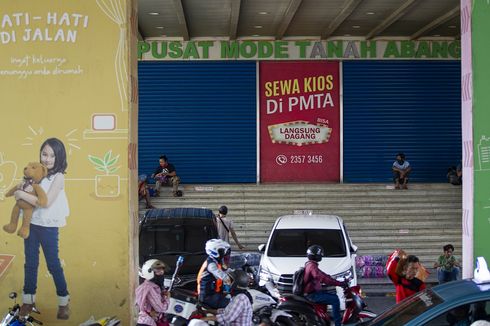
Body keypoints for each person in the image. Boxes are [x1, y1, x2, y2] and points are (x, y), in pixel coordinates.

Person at [15, 138, 71, 319]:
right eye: (44, 154)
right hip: (31, 224)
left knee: (53, 264)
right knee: (30, 264)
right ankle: (28, 301)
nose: (47, 159)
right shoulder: (36, 173)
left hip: (48, 227)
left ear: (59, 157)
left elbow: (45, 203)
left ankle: (64, 301)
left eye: (52, 155)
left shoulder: (59, 177)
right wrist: (22, 188)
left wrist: (21, 194)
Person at [303, 245, 344, 326]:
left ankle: (324, 321)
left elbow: (323, 275)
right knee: (335, 299)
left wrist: (333, 279)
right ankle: (338, 324)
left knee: (328, 295)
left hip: (312, 293)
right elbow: (322, 278)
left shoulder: (310, 264)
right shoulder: (312, 266)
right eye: (320, 254)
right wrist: (339, 283)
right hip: (312, 295)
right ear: (316, 255)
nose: (321, 255)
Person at [197, 239, 232, 309]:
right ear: (214, 251)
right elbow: (223, 276)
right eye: (222, 250)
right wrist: (230, 279)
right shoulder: (211, 264)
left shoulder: (214, 260)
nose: (224, 253)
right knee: (232, 305)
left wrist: (235, 272)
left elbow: (225, 270)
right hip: (208, 297)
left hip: (214, 293)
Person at [136, 259, 170, 326]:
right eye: (158, 271)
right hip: (147, 323)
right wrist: (167, 298)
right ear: (149, 272)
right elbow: (160, 308)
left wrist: (163, 295)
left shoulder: (151, 286)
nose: (161, 273)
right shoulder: (149, 288)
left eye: (162, 270)